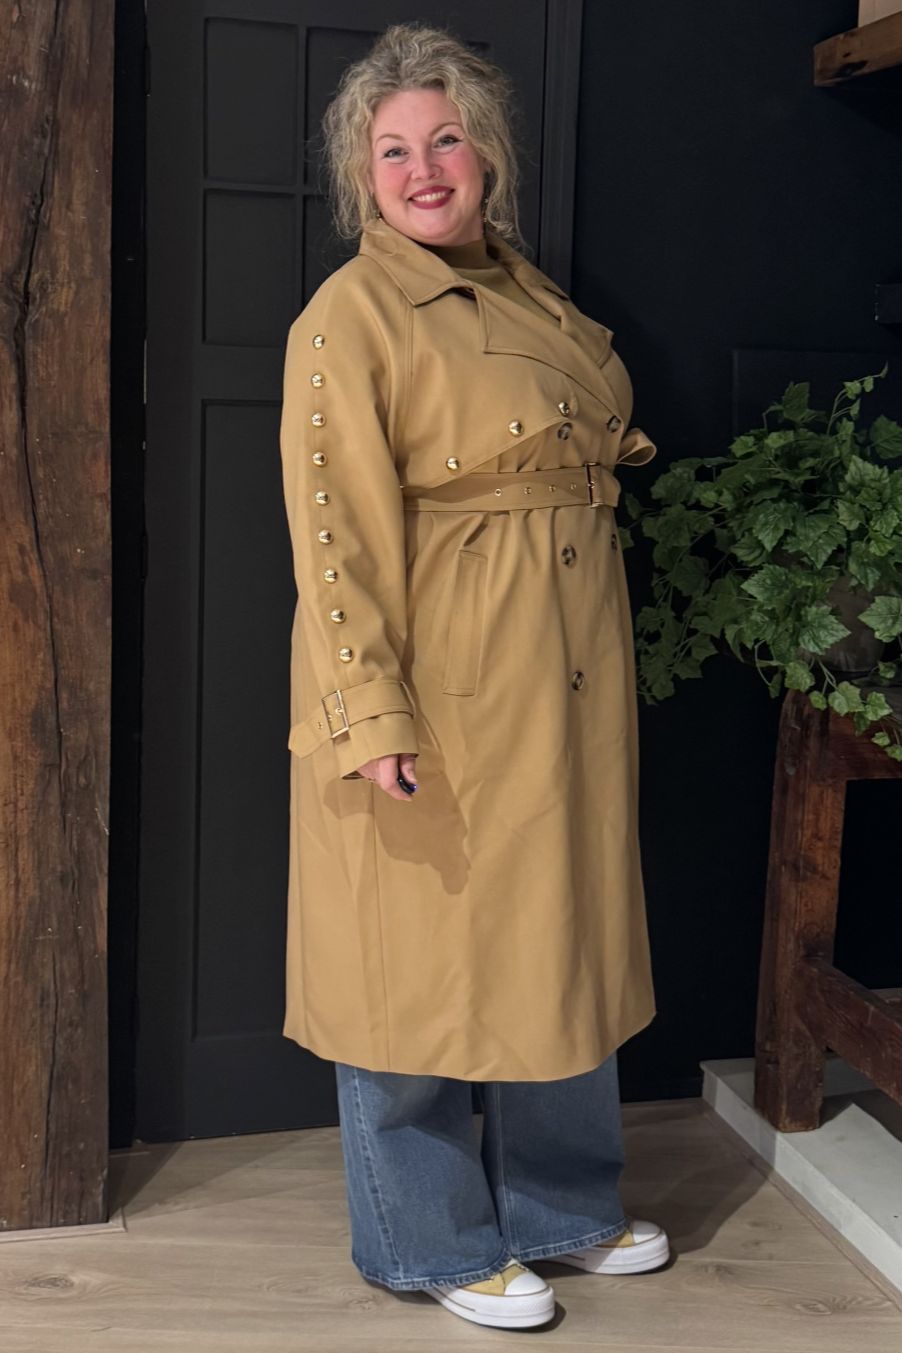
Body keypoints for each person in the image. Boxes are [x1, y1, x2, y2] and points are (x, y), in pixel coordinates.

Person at [278, 21, 667, 1331]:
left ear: (486, 153)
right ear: (361, 176)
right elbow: (332, 538)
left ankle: (562, 1207)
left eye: (445, 139)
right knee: (413, 960)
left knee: (558, 941)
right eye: (392, 150)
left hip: (562, 669)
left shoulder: (525, 292)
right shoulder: (349, 317)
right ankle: (431, 1237)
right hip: (444, 673)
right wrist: (368, 710)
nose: (423, 169)